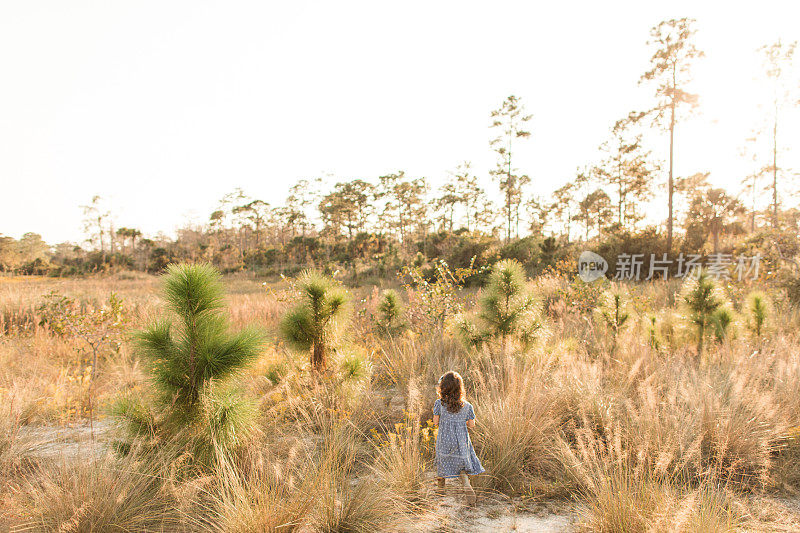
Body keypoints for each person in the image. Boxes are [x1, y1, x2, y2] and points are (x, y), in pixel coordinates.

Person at [432, 371, 484, 505]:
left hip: (444, 440)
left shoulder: (439, 404)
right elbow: (472, 425)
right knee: (462, 466)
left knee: (442, 462)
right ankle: (466, 483)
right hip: (461, 441)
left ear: (443, 388)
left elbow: (435, 422)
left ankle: (440, 489)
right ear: (460, 388)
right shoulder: (467, 406)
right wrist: (461, 421)